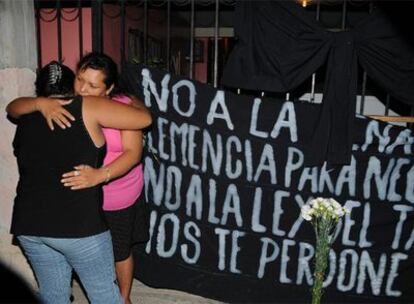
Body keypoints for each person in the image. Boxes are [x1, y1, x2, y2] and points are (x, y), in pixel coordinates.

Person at [7, 53, 148, 304]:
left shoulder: (26, 116)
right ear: (72, 80)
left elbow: (12, 107)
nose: (84, 89)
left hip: (30, 226)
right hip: (78, 227)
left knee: (53, 295)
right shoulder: (87, 105)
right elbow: (146, 119)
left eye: (92, 85)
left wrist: (39, 103)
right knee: (105, 296)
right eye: (81, 81)